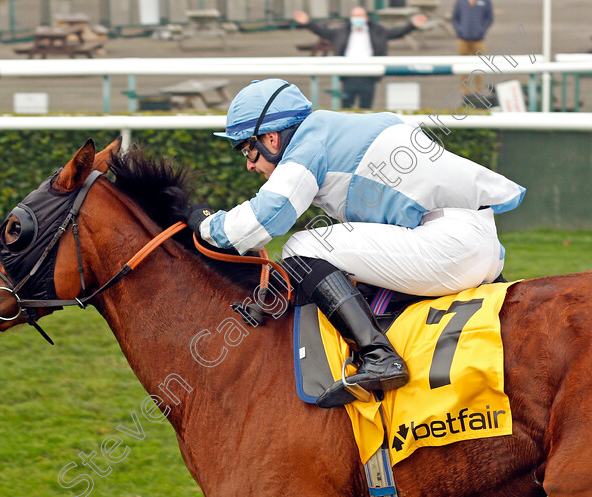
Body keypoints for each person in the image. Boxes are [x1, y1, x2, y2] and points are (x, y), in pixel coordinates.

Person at [185, 79, 525, 405]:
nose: (248, 164)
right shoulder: (345, 127)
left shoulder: (308, 146)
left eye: (248, 150)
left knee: (301, 248)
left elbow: (260, 222)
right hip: (480, 247)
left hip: (449, 247)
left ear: (271, 138)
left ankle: (378, 356)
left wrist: (204, 225)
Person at [293, 8, 427, 109]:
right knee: (346, 106)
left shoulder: (377, 31)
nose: (358, 19)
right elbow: (322, 30)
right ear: (350, 18)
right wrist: (307, 22)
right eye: (355, 16)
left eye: (360, 16)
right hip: (348, 74)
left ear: (366, 18)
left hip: (369, 73)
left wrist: (412, 25)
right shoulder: (340, 32)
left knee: (366, 108)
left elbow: (396, 33)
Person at [452, 0, 494, 93]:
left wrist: (481, 30)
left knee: (479, 66)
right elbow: (455, 17)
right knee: (463, 67)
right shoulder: (460, 2)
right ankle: (465, 91)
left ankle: (478, 90)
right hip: (463, 39)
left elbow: (489, 17)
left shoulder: (485, 2)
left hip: (478, 39)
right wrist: (460, 30)